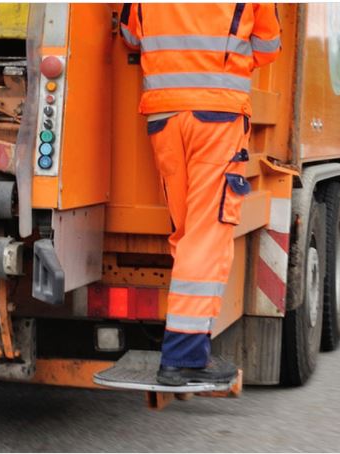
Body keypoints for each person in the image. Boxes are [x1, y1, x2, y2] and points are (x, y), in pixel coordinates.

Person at [118, 3, 280, 385]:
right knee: (206, 235)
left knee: (187, 230)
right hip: (217, 117)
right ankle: (182, 357)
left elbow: (130, 36)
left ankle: (187, 349)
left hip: (164, 119)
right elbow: (268, 47)